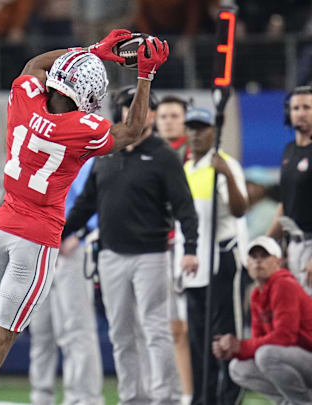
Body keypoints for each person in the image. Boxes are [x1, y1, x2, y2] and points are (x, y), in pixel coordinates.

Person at [0, 29, 170, 405]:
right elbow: (133, 130)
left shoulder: (25, 100)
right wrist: (145, 76)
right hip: (37, 236)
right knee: (5, 332)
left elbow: (35, 65)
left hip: (2, 223)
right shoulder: (80, 128)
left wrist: (92, 51)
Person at [62, 85, 198, 405]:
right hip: (111, 255)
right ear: (119, 113)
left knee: (155, 330)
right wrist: (58, 232)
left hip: (151, 254)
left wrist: (190, 248)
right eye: (127, 107)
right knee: (121, 334)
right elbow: (85, 205)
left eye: (142, 107)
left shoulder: (163, 156)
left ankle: (164, 397)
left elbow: (185, 207)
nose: (134, 113)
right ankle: (132, 397)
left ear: (150, 114)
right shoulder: (105, 153)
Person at [178, 107, 248, 405]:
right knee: (198, 340)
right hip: (195, 268)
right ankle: (202, 398)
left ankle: (229, 398)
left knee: (226, 337)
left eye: (202, 127)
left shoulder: (226, 165)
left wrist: (228, 175)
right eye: (191, 127)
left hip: (222, 262)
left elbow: (239, 209)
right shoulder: (186, 169)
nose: (195, 133)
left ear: (214, 131)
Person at [28, 158, 104, 405]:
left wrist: (80, 234)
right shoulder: (37, 150)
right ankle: (41, 397)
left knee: (77, 331)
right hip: (40, 249)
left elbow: (97, 199)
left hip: (71, 249)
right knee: (41, 331)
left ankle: (84, 399)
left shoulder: (87, 155)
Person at [213, 236, 312, 404]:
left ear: (278, 262)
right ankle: (289, 402)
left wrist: (241, 346)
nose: (258, 262)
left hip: (305, 355)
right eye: (254, 257)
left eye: (264, 256)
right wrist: (234, 350)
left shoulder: (284, 285)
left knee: (266, 355)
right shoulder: (257, 295)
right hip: (295, 359)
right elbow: (258, 339)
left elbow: (285, 337)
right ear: (247, 265)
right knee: (237, 367)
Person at [156, 94, 193, 405]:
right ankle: (179, 392)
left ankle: (191, 392)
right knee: (170, 326)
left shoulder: (193, 154)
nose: (168, 120)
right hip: (158, 243)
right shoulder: (151, 153)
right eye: (163, 115)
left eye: (174, 115)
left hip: (185, 244)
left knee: (186, 325)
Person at [267, 85, 312, 296]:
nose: (300, 113)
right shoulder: (289, 150)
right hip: (293, 246)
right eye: (295, 108)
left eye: (306, 107)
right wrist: (267, 243)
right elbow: (285, 204)